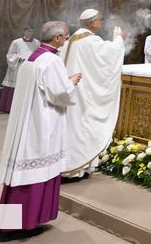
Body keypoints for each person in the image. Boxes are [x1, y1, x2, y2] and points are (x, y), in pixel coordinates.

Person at [0, 21, 81, 241]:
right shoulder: (51, 61)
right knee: (36, 172)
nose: (67, 37)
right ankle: (22, 225)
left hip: (27, 122)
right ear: (57, 38)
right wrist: (72, 82)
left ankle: (14, 224)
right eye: (65, 35)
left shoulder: (34, 58)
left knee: (26, 172)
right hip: (42, 125)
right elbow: (59, 93)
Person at [60, 9, 125, 181]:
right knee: (82, 128)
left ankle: (75, 167)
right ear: (92, 23)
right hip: (82, 92)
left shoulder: (71, 39)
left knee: (72, 127)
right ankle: (73, 169)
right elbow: (109, 57)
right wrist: (119, 39)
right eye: (100, 20)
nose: (101, 22)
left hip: (72, 90)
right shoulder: (90, 41)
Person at [0, 27, 39, 114]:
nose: (29, 33)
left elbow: (39, 54)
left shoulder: (36, 42)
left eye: (31, 31)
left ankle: (27, 108)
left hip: (31, 67)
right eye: (27, 31)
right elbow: (10, 55)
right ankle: (10, 107)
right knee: (15, 86)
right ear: (24, 32)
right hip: (18, 66)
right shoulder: (16, 42)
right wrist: (19, 58)